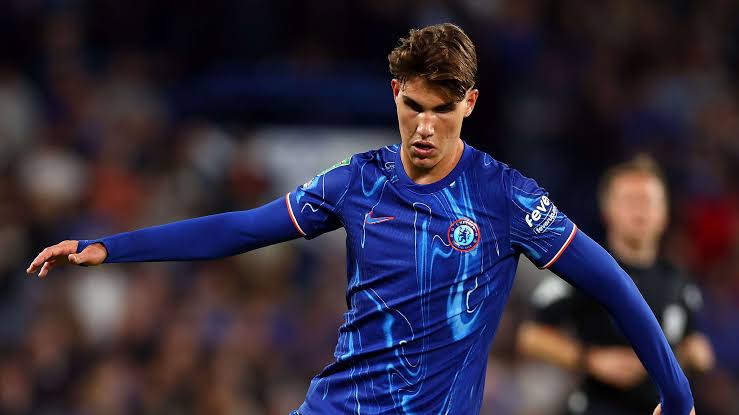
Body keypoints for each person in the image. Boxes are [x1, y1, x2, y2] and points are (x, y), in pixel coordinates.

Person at [27, 24, 695, 415]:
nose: (424, 126)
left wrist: (677, 393)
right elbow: (241, 230)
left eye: (442, 109)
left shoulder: (506, 197)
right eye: (413, 107)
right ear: (394, 94)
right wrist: (108, 248)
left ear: (469, 103)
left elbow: (613, 284)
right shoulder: (358, 181)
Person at [516, 156, 714, 414]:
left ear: (665, 212)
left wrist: (693, 356)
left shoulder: (678, 279)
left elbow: (694, 342)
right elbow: (530, 336)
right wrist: (591, 359)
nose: (640, 210)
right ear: (607, 210)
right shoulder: (585, 269)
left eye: (649, 201)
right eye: (630, 200)